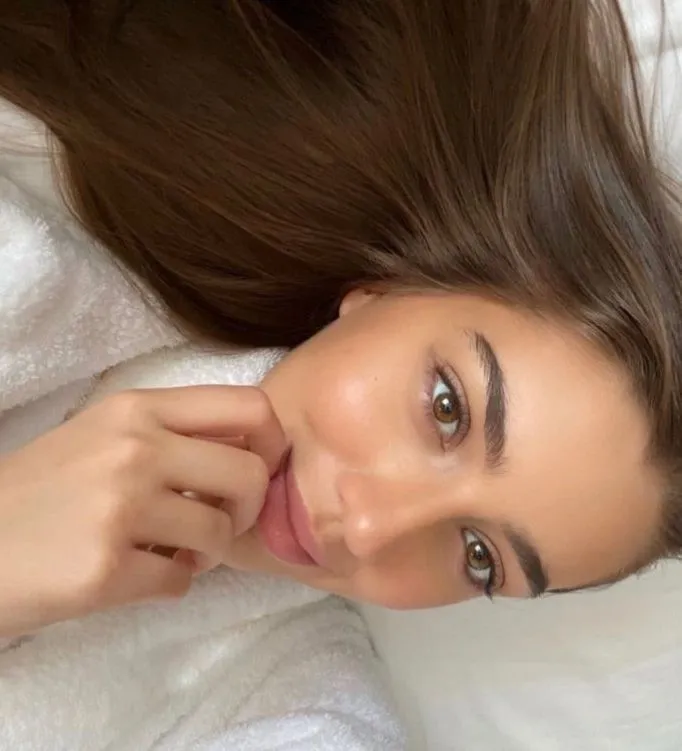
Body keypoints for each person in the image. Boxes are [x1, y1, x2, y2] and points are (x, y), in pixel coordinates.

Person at [0, 0, 680, 636]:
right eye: (446, 408)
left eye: (480, 555)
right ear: (390, 289)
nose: (370, 527)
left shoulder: (262, 665)